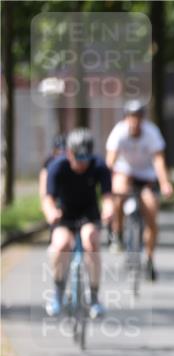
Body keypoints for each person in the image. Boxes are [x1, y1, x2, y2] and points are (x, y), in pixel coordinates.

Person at [42, 128, 114, 319]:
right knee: (60, 246)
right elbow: (48, 198)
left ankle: (95, 297)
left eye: (86, 158)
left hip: (89, 214)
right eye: (78, 157)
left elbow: (107, 196)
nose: (82, 163)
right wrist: (51, 213)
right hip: (64, 215)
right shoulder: (57, 167)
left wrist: (109, 209)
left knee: (91, 241)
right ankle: (57, 292)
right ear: (69, 153)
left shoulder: (99, 166)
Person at [105, 100, 174, 281]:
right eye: (131, 117)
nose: (135, 121)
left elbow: (159, 161)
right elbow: (110, 161)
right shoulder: (118, 132)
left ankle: (149, 258)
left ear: (143, 119)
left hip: (146, 176)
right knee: (118, 193)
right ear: (126, 118)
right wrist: (106, 184)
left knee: (151, 210)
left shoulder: (152, 133)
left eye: (138, 117)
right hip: (125, 172)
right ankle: (117, 233)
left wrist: (165, 183)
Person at [38, 134, 65, 202]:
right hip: (52, 191)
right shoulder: (48, 162)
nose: (61, 153)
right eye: (58, 150)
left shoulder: (70, 162)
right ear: (54, 150)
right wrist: (43, 199)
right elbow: (43, 179)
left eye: (63, 150)